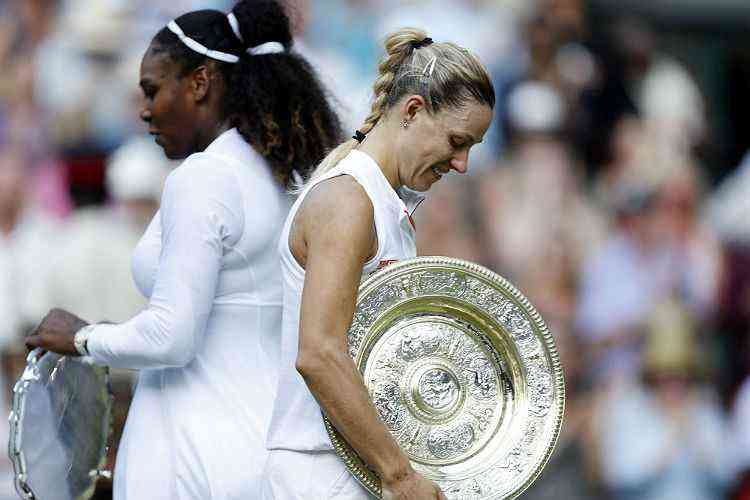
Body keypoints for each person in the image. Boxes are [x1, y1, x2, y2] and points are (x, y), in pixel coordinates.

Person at [24, 1, 341, 499]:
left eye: (152, 90)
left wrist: (84, 337)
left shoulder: (207, 178)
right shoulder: (278, 171)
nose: (145, 109)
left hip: (194, 451)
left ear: (200, 83)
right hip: (266, 448)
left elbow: (171, 337)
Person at [262, 28, 495, 499]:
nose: (462, 163)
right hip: (319, 472)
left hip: (354, 467)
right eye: (457, 140)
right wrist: (399, 474)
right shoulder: (349, 201)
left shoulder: (385, 203)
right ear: (412, 110)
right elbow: (319, 353)